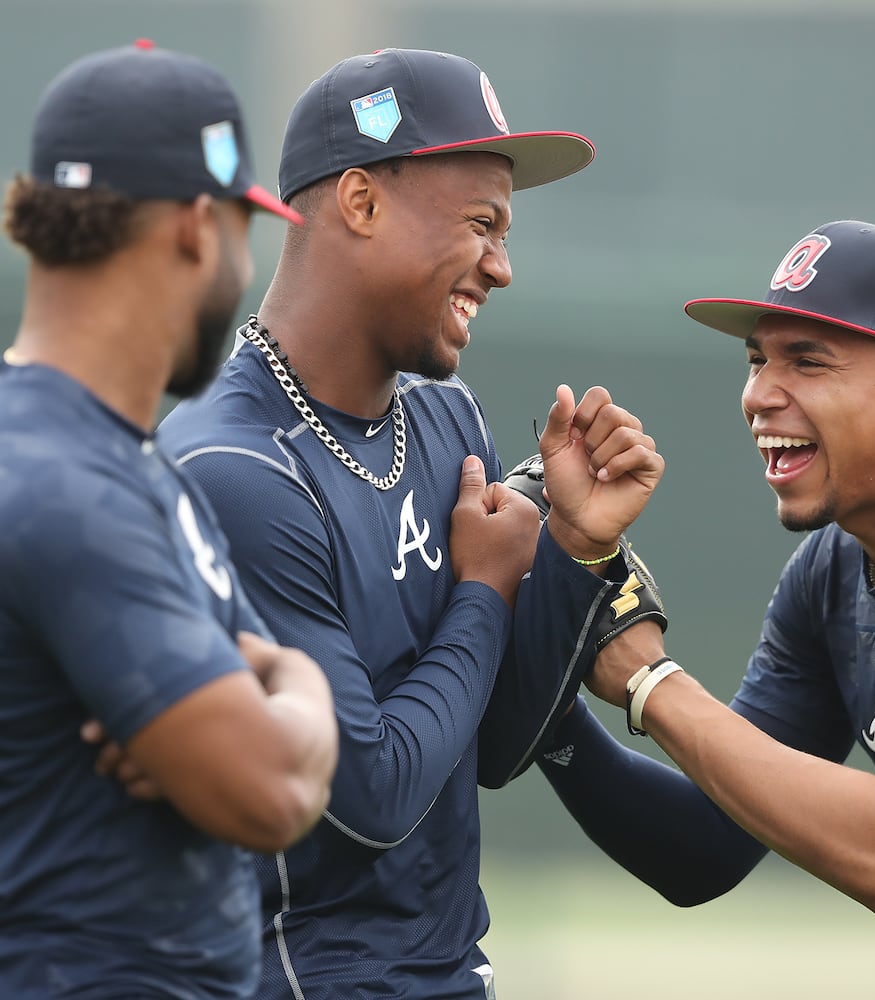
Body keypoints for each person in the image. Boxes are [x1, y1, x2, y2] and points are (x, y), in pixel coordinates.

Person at [156, 47, 664, 999]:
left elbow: (492, 748)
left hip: (446, 971)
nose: (501, 267)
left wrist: (569, 550)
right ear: (359, 202)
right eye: (482, 224)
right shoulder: (234, 470)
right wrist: (484, 585)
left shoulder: (444, 418)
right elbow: (373, 799)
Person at [534, 220, 875, 998]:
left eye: (808, 361)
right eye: (758, 358)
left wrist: (650, 681)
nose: (761, 392)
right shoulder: (831, 572)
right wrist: (548, 702)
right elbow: (704, 848)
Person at [0, 41, 339, 998]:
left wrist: (268, 692)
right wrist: (289, 681)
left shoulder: (118, 457)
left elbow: (262, 726)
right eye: (244, 232)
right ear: (197, 225)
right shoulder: (68, 485)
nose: (243, 266)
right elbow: (272, 790)